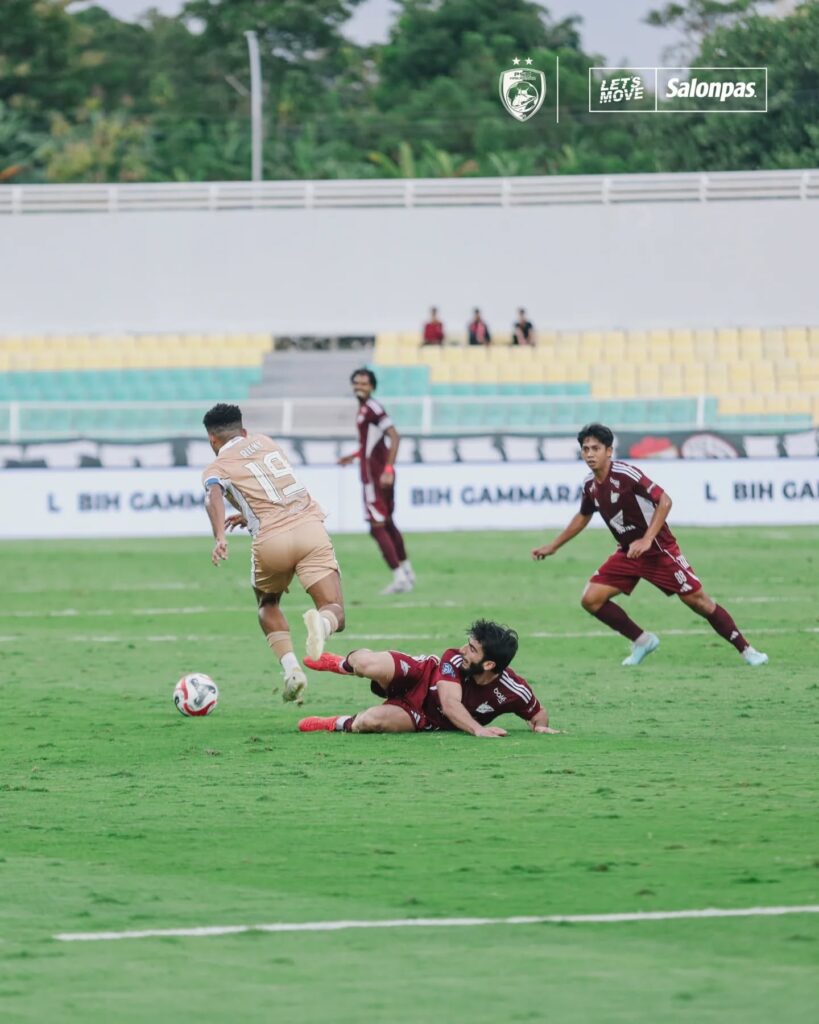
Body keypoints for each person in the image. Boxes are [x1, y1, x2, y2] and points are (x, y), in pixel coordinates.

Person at [532, 423, 768, 667]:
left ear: (609, 451)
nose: (590, 454)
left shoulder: (626, 475)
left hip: (659, 551)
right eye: (585, 449)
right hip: (628, 553)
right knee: (591, 598)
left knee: (699, 602)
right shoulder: (589, 484)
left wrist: (647, 539)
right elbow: (583, 515)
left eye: (596, 448)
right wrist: (554, 546)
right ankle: (643, 641)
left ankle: (747, 650)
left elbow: (665, 501)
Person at [201, 403, 346, 705]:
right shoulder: (265, 441)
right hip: (310, 529)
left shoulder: (216, 467)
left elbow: (212, 495)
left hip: (271, 541)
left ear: (212, 440)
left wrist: (220, 535)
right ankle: (322, 625)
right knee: (333, 608)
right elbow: (273, 486)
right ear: (243, 431)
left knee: (267, 604)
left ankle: (292, 670)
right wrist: (247, 513)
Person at [297, 619, 559, 737]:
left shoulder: (513, 689)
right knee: (366, 663)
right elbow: (450, 702)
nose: (462, 650)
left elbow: (538, 713)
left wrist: (539, 728)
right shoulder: (453, 659)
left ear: (489, 664)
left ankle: (335, 723)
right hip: (420, 676)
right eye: (467, 644)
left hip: (423, 717)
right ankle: (341, 663)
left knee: (370, 721)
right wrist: (478, 729)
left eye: (472, 649)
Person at [337, 368, 415, 595]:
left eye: (364, 383)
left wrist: (388, 468)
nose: (359, 386)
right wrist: (353, 456)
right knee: (387, 523)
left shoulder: (373, 409)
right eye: (356, 383)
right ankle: (407, 572)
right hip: (374, 474)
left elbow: (394, 435)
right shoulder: (364, 410)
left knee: (377, 526)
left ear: (372, 386)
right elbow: (372, 444)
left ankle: (400, 577)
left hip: (376, 478)